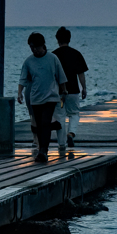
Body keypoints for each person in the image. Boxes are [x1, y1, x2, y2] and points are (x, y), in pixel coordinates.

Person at [18, 32, 68, 163]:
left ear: (42, 45)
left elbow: (60, 76)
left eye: (35, 47)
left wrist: (64, 90)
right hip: (35, 97)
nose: (33, 49)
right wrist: (20, 93)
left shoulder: (52, 58)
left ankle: (43, 151)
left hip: (51, 96)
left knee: (45, 122)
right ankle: (42, 148)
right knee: (40, 125)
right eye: (31, 47)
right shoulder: (29, 61)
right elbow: (23, 78)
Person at [52, 27, 88, 151]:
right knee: (74, 114)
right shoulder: (76, 54)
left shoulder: (53, 55)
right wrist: (84, 88)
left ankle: (61, 143)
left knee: (60, 116)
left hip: (58, 92)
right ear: (69, 39)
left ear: (57, 39)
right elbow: (81, 74)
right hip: (73, 90)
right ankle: (71, 133)